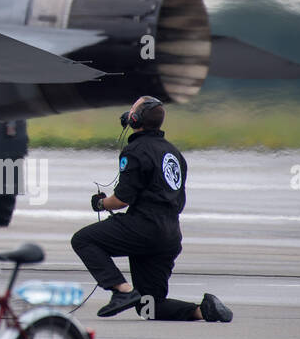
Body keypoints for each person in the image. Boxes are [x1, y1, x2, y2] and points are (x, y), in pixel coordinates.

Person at [70, 95, 233, 322]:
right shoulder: (174, 153)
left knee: (82, 240)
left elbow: (122, 200)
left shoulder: (135, 151)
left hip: (144, 227)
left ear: (135, 119)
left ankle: (122, 290)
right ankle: (204, 310)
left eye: (133, 109)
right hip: (170, 234)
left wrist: (100, 203)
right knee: (149, 306)